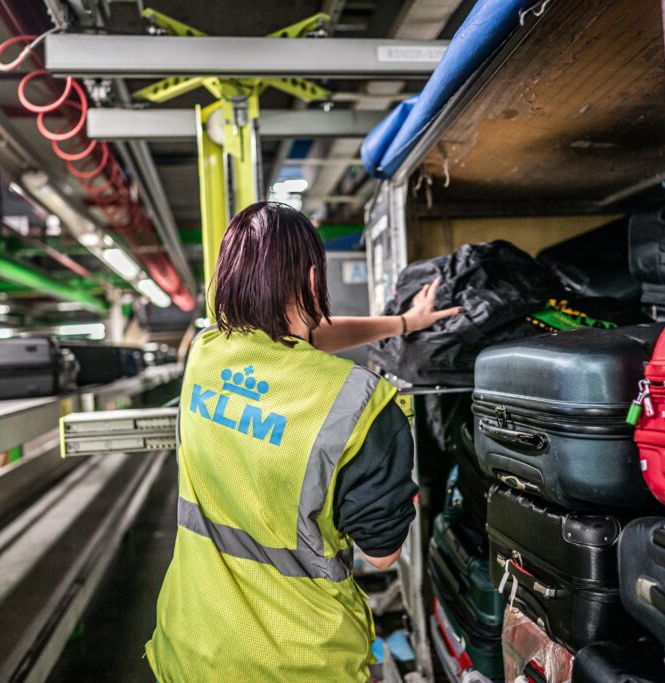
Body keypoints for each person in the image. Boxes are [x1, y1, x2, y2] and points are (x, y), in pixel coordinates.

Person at [145, 202, 461, 682]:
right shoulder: (360, 406)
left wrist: (402, 324)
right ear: (315, 281)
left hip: (192, 645)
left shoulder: (205, 356)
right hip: (295, 661)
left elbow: (300, 343)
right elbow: (382, 553)